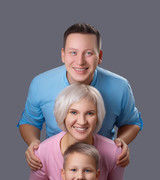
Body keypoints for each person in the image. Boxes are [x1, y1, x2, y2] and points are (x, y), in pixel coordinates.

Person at [18, 23, 143, 170]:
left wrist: (120, 143)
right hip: (55, 162)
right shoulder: (40, 84)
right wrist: (33, 142)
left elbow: (132, 122)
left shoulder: (120, 86)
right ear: (63, 55)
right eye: (73, 52)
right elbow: (29, 121)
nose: (80, 61)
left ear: (100, 56)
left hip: (102, 164)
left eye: (89, 53)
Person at [28, 84, 124, 180]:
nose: (82, 121)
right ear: (63, 114)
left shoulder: (113, 151)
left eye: (90, 113)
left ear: (98, 116)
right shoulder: (43, 151)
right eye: (73, 112)